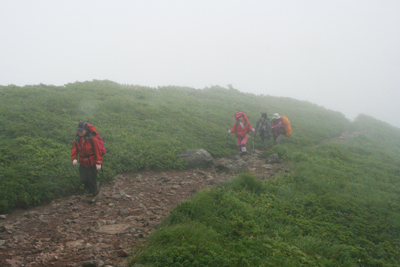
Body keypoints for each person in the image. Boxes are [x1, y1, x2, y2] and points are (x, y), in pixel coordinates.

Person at [71, 122, 103, 203]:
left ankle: (93, 194)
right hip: (83, 162)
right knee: (84, 179)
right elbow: (74, 150)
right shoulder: (77, 139)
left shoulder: (93, 139)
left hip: (92, 162)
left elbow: (97, 151)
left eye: (81, 130)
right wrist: (74, 158)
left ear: (86, 130)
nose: (80, 132)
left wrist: (98, 162)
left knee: (91, 178)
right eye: (78, 130)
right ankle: (94, 187)